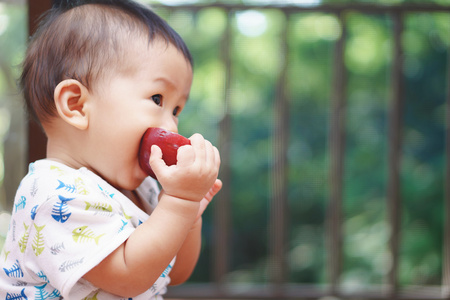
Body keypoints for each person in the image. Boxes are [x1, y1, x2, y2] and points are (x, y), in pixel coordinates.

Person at [0, 0, 222, 299]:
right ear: (76, 105)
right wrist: (180, 202)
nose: (170, 126)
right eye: (157, 99)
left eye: (177, 109)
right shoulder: (53, 194)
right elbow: (127, 277)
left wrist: (188, 215)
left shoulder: (145, 191)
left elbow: (176, 272)